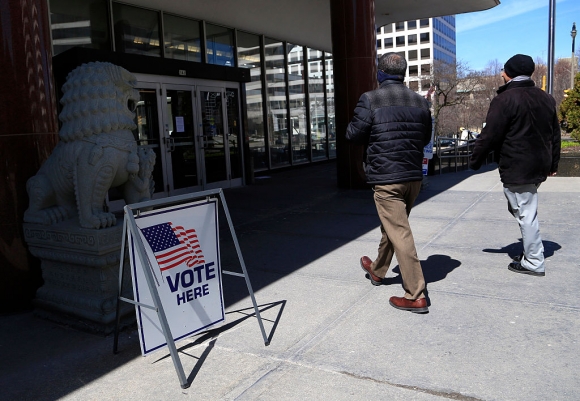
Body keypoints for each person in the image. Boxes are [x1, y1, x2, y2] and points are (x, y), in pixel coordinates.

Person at [346, 52, 432, 313]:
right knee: (393, 226)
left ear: (380, 73)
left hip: (386, 178)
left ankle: (416, 294)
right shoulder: (420, 102)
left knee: (400, 231)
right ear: (403, 74)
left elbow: (353, 135)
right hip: (413, 177)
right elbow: (426, 137)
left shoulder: (370, 99)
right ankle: (378, 270)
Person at [469, 54, 561, 276]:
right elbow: (555, 134)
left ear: (508, 74)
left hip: (518, 166)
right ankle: (533, 251)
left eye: (503, 71)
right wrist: (553, 162)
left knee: (525, 213)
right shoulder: (546, 98)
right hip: (538, 164)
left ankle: (534, 261)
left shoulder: (504, 100)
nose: (501, 74)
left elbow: (490, 134)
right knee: (521, 208)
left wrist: (474, 160)